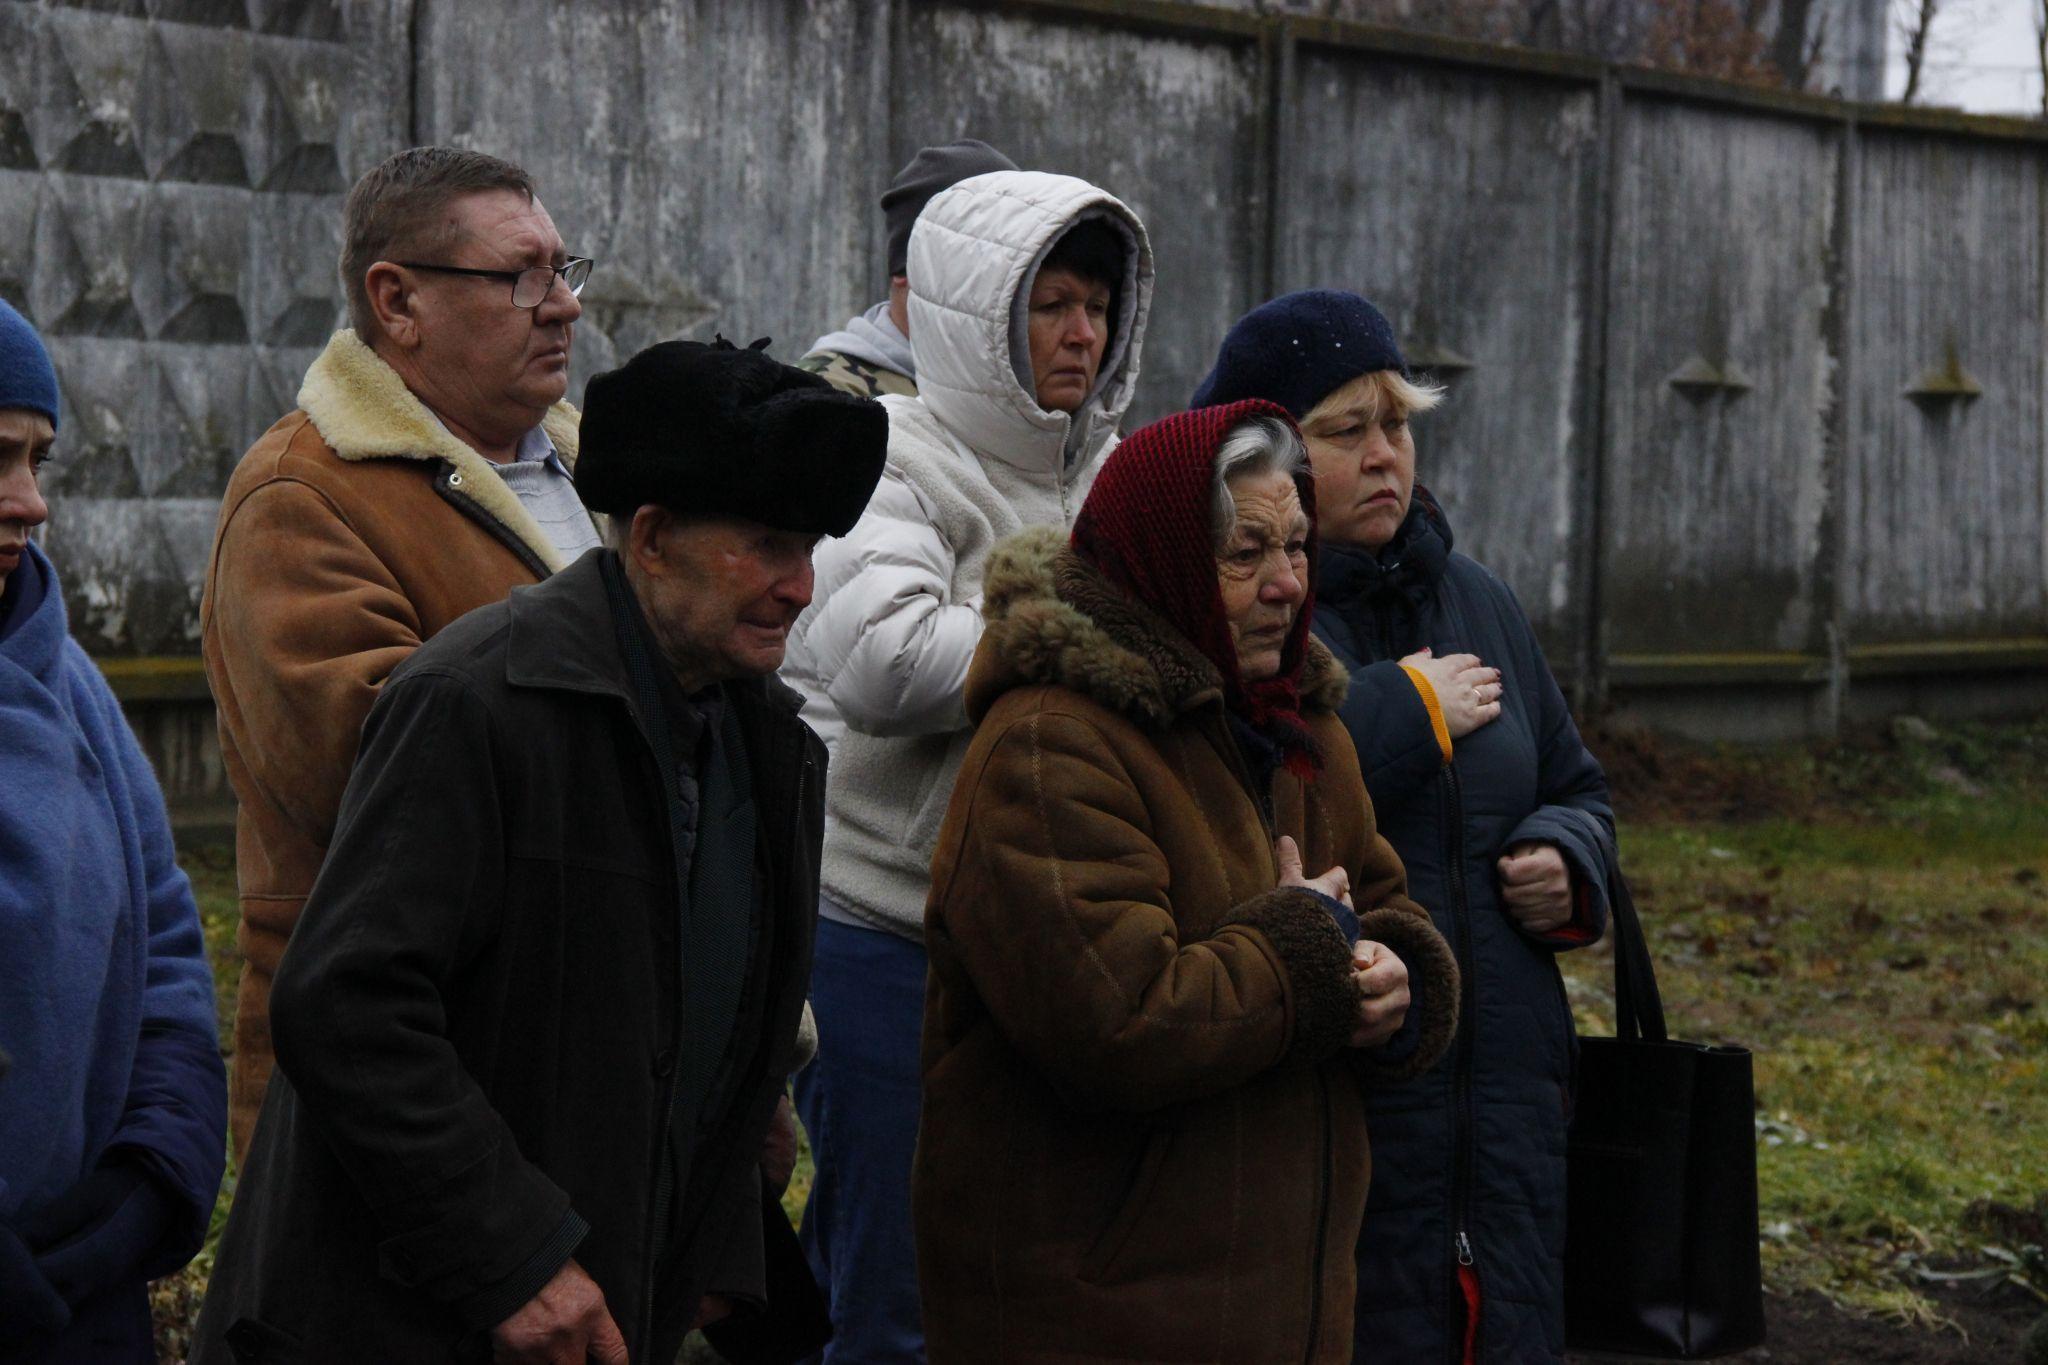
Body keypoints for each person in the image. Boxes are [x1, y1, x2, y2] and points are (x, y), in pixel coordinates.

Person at [190, 338, 887, 1365]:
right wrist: (513, 1259)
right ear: (650, 537)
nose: (799, 587)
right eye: (769, 545)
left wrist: (711, 1253)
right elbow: (347, 1009)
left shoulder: (771, 747)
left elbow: (725, 1044)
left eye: (809, 550)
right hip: (396, 1321)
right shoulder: (474, 701)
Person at [915, 401, 1460, 1363]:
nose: (1290, 583)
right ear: (1164, 557)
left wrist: (1395, 974)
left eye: (1297, 545)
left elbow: (1377, 899)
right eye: (1246, 553)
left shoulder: (1303, 731)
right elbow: (1116, 1021)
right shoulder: (1051, 744)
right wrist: (1307, 952)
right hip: (1099, 1315)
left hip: (1273, 1310)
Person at [1194, 290, 1620, 1363]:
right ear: (1266, 455)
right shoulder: (1239, 612)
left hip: (1509, 1110)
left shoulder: (1476, 599)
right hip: (1356, 1100)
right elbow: (1246, 798)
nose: (1386, 455)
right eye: (1346, 432)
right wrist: (1399, 713)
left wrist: (1567, 862)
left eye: (1398, 424)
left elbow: (1577, 783)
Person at [785, 168, 1154, 1360]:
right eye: (1049, 303)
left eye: (1097, 305)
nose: (1080, 333)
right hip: (892, 933)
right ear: (973, 311)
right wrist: (1086, 644)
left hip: (1060, 930)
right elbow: (881, 660)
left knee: (1033, 1280)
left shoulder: (1113, 473)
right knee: (894, 1289)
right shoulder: (887, 451)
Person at [201, 146, 600, 1159]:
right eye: (521, 276)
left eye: (563, 269)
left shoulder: (601, 469)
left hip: (586, 1056)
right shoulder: (304, 499)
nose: (562, 306)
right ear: (398, 302)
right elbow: (382, 782)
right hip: (393, 1092)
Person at [0, 299, 227, 1363]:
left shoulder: (69, 683)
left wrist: (144, 1185)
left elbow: (169, 953)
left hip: (73, 1308)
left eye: (39, 459)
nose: (30, 504)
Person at [797, 138, 1018, 401]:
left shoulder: (1014, 386)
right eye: (974, 259)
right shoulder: (831, 394)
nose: (1002, 282)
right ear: (906, 270)